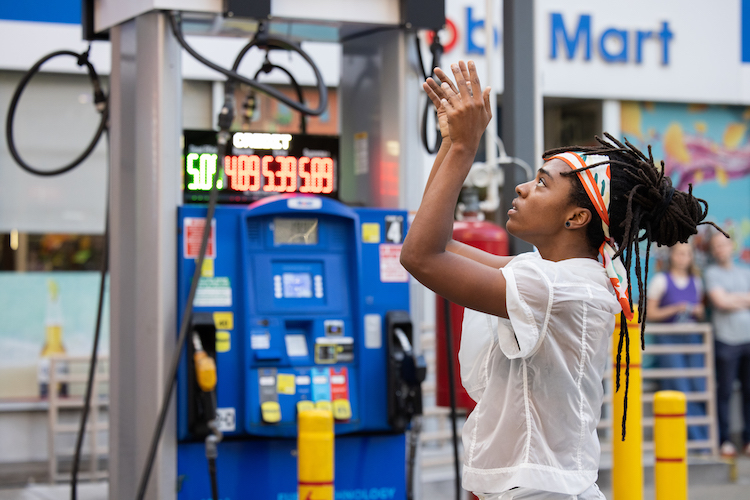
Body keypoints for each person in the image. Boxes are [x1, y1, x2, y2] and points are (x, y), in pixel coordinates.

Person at [400, 60, 722, 499]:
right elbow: (435, 244)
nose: (522, 189)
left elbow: (422, 256)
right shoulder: (554, 277)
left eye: (541, 183)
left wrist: (464, 149)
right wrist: (453, 142)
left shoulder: (560, 288)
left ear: (577, 217)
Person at [646, 242, 709, 443]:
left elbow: (699, 310)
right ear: (672, 256)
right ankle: (697, 441)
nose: (683, 258)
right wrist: (675, 309)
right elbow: (650, 313)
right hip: (669, 340)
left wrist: (696, 311)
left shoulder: (696, 281)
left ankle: (703, 440)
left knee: (699, 387)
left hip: (693, 338)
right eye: (680, 253)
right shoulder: (660, 281)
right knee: (680, 387)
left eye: (687, 254)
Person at [704, 232, 750, 458]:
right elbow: (720, 302)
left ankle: (748, 439)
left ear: (731, 246)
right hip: (725, 340)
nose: (721, 249)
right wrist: (743, 299)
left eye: (724, 245)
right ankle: (725, 440)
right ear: (713, 251)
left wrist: (732, 298)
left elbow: (727, 300)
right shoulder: (711, 273)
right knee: (724, 392)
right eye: (716, 246)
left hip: (747, 339)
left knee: (749, 392)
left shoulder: (745, 271)